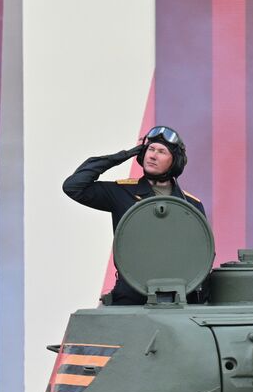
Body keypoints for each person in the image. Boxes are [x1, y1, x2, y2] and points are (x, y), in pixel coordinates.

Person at [62, 125, 206, 305]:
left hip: (180, 295)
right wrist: (120, 157)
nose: (152, 155)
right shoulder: (122, 191)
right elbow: (73, 187)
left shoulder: (191, 204)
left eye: (161, 151)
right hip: (131, 293)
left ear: (175, 161)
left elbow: (202, 253)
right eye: (150, 149)